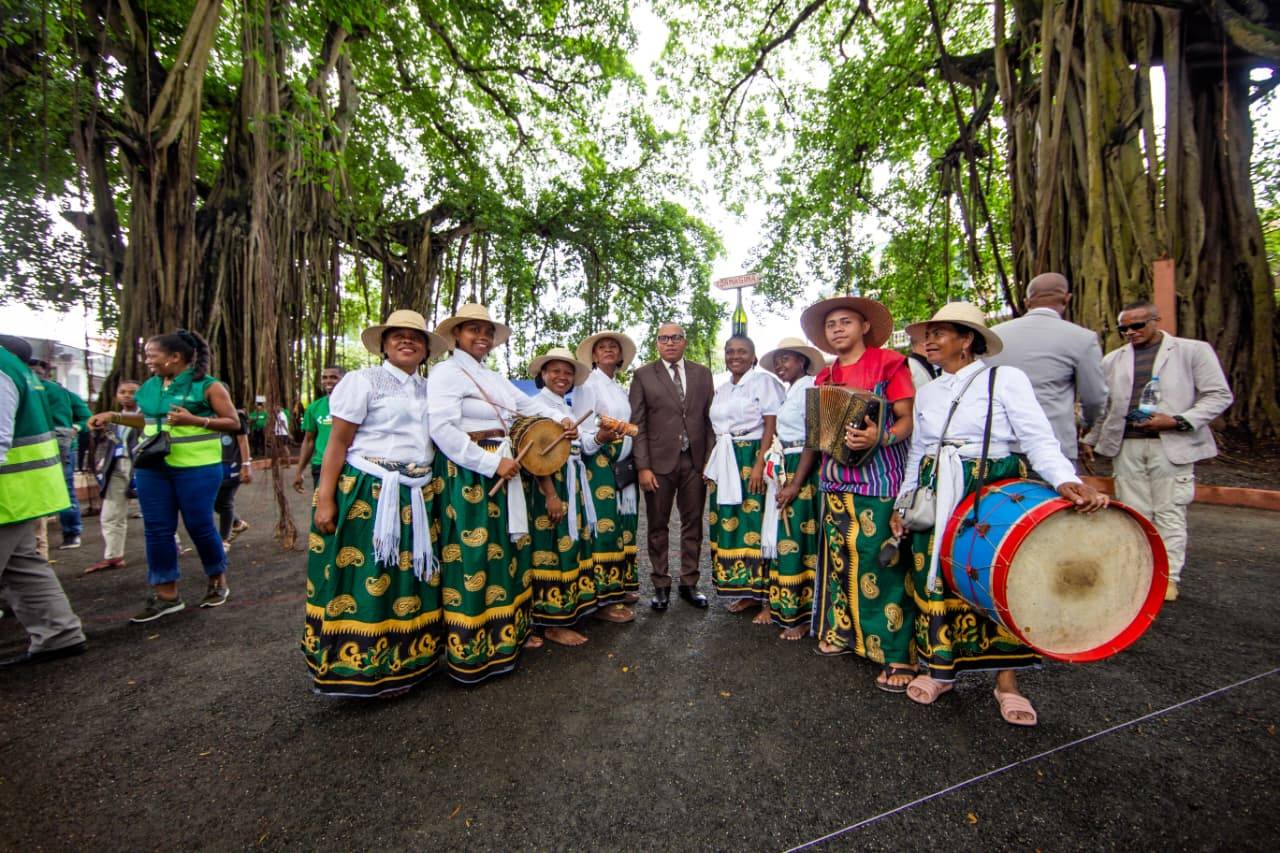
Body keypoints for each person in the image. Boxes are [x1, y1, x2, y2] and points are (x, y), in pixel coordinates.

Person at [890, 302, 1109, 725]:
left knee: (997, 578)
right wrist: (905, 501)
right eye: (926, 335)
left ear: (967, 340)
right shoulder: (929, 391)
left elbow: (1037, 438)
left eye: (939, 333)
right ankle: (940, 670)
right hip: (936, 487)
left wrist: (1064, 479)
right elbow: (919, 452)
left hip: (988, 488)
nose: (928, 342)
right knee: (933, 578)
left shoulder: (1004, 378)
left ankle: (1007, 683)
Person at [427, 303, 576, 679]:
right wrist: (489, 463)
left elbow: (528, 406)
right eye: (473, 329)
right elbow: (442, 429)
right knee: (474, 554)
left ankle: (507, 633)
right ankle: (473, 647)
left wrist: (562, 419)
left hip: (505, 465)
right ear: (456, 334)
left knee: (507, 552)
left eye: (487, 331)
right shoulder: (445, 373)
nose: (482, 337)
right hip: (469, 472)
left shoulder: (493, 377)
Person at [305, 310, 448, 698]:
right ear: (384, 345)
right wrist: (326, 498)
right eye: (397, 335)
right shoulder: (362, 381)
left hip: (418, 492)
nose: (407, 341)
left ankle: (407, 663)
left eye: (415, 337)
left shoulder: (431, 389)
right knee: (368, 573)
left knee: (410, 576)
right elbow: (338, 442)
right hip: (369, 490)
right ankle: (359, 668)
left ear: (426, 350)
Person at [800, 296, 917, 693]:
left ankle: (897, 653)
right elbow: (818, 432)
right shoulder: (825, 376)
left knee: (883, 564)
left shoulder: (890, 364)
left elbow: (907, 420)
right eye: (831, 324)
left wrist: (879, 437)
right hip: (834, 482)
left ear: (865, 326)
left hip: (879, 481)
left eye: (845, 321)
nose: (837, 329)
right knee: (841, 561)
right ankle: (845, 634)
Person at [1081, 299, 1233, 602]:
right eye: (1124, 328)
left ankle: (1168, 578)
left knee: (1169, 511)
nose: (1130, 332)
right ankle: (1140, 574)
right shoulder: (1113, 360)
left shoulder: (1192, 351)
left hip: (1170, 444)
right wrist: (1090, 439)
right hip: (1127, 445)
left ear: (1155, 320)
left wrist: (1178, 420)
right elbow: (1105, 407)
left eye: (1137, 325)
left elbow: (1219, 394)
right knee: (1134, 512)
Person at [87, 330, 242, 622]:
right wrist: (113, 416)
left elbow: (233, 422)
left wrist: (194, 420)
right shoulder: (150, 387)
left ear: (175, 357)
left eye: (152, 355)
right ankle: (166, 594)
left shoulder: (208, 386)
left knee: (199, 526)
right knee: (157, 529)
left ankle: (216, 579)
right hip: (152, 466)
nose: (147, 360)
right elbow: (148, 420)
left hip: (197, 467)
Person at [0, 334, 87, 668]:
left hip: (9, 490)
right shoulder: (18, 369)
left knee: (22, 562)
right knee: (22, 564)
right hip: (23, 488)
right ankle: (59, 633)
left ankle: (59, 633)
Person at [524, 347, 608, 645]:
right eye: (555, 371)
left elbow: (583, 446)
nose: (562, 376)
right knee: (552, 547)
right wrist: (550, 493)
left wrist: (602, 437)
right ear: (543, 374)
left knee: (571, 544)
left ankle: (571, 609)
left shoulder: (564, 406)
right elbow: (534, 455)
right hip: (551, 482)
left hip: (571, 481)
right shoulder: (536, 405)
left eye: (568, 372)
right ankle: (552, 623)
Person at [629, 323, 714, 610]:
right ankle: (660, 585)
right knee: (657, 524)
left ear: (684, 341)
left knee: (693, 524)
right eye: (663, 338)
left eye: (675, 337)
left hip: (695, 461)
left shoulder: (702, 374)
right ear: (657, 343)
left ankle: (689, 582)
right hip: (657, 464)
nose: (670, 342)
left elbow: (709, 419)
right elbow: (637, 424)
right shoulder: (643, 375)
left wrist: (708, 460)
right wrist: (643, 467)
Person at [704, 335, 784, 620]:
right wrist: (711, 465)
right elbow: (718, 430)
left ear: (753, 356)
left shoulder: (764, 382)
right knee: (731, 521)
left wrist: (760, 464)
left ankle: (767, 600)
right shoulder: (723, 388)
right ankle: (748, 592)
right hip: (727, 458)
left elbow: (771, 424)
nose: (735, 356)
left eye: (742, 351)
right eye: (730, 351)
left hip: (752, 455)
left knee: (757, 523)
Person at [988, 272, 1107, 461]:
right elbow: (1094, 398)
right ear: (1067, 298)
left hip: (998, 446)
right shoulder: (1082, 338)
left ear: (1027, 302)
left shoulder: (993, 335)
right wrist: (1086, 423)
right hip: (1052, 446)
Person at [758, 336, 825, 640]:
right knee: (784, 536)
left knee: (798, 540)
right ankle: (782, 607)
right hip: (786, 462)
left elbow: (813, 438)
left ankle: (800, 616)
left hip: (802, 469)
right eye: (777, 361)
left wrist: (796, 483)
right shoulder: (791, 391)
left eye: (785, 359)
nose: (779, 365)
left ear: (802, 361)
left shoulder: (810, 388)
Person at [573, 331, 641, 622]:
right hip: (598, 459)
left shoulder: (619, 387)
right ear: (594, 355)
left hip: (623, 460)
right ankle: (603, 598)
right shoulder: (588, 384)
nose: (609, 350)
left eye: (614, 347)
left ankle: (620, 584)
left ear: (621, 355)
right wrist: (599, 439)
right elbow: (581, 427)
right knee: (604, 525)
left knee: (624, 522)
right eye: (602, 347)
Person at [29, 359, 92, 550]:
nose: (34, 376)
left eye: (38, 372)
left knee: (64, 487)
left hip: (61, 445)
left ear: (47, 374)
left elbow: (87, 418)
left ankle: (72, 531)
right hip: (38, 445)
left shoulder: (59, 392)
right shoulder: (30, 390)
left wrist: (75, 428)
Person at [85, 379, 141, 574]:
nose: (127, 396)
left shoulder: (146, 417)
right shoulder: (111, 419)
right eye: (122, 392)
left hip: (140, 467)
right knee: (111, 512)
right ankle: (113, 555)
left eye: (132, 392)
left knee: (156, 509)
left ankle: (172, 544)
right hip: (115, 466)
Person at [294, 366, 344, 493]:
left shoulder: (356, 405)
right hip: (321, 465)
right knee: (320, 503)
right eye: (324, 377)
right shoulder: (314, 408)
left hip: (348, 465)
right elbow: (308, 441)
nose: (328, 381)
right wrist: (299, 471)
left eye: (333, 377)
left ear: (344, 380)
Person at [214, 409, 253, 548]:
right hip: (213, 463)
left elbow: (243, 440)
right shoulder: (207, 415)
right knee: (215, 503)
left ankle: (223, 540)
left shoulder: (237, 416)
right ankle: (237, 523)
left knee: (225, 501)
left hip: (231, 466)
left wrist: (246, 464)